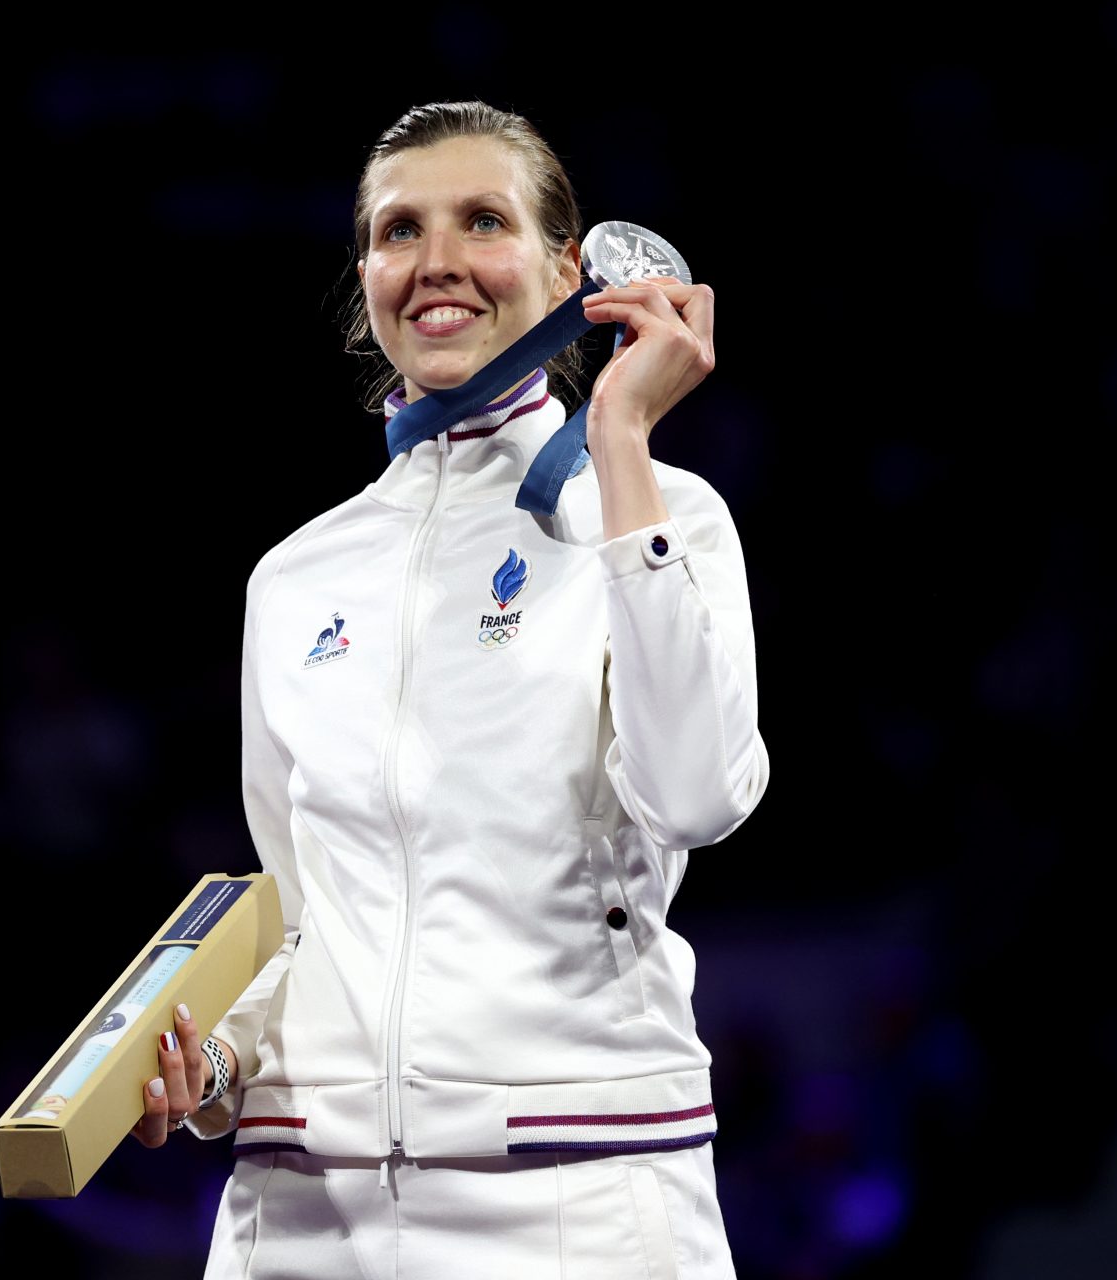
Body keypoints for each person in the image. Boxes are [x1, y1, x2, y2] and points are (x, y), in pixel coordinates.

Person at [135, 100, 769, 1279]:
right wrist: (218, 1065)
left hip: (578, 1195)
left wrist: (620, 438)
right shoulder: (295, 574)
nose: (435, 263)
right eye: (396, 231)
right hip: (296, 1214)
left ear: (568, 267)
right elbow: (298, 910)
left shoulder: (659, 515)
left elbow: (695, 795)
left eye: (483, 220)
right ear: (366, 271)